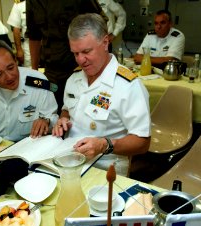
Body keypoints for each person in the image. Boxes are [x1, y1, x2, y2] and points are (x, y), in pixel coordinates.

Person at [53, 13, 151, 175]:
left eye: (86, 51)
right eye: (75, 53)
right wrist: (63, 119)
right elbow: (67, 109)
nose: (80, 60)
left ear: (105, 42)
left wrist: (104, 145)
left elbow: (142, 142)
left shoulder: (128, 86)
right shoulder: (74, 79)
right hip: (69, 161)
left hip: (106, 168)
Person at [26, 0, 106, 113]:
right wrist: (35, 72)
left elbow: (100, 24)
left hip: (78, 67)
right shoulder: (33, 1)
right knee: (51, 113)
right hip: (51, 72)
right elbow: (34, 36)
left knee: (88, 112)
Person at [7, 0, 30, 67]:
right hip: (27, 46)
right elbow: (16, 29)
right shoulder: (19, 5)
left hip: (47, 45)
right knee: (30, 70)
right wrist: (19, 50)